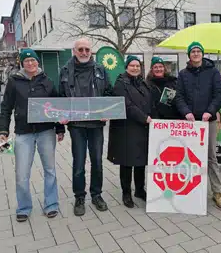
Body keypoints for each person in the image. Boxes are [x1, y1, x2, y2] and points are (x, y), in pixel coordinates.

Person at [0, 48, 65, 222]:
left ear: (38, 62)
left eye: (33, 60)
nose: (30, 63)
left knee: (50, 170)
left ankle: (51, 204)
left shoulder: (48, 81)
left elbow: (56, 107)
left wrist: (60, 129)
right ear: (22, 63)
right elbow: (6, 107)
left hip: (46, 132)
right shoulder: (14, 81)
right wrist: (3, 131)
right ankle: (24, 207)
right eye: (26, 61)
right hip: (23, 133)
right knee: (21, 174)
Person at [59, 38, 112, 216]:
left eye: (87, 49)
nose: (84, 52)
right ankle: (79, 197)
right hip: (76, 126)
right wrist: (62, 115)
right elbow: (60, 98)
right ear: (74, 51)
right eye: (80, 49)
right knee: (79, 163)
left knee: (97, 161)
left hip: (97, 124)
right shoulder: (65, 71)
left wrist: (107, 111)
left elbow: (109, 93)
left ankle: (96, 195)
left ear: (91, 52)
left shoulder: (100, 69)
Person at [175, 41, 221, 209]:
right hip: (190, 122)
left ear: (202, 54)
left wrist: (210, 111)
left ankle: (217, 191)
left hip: (207, 121)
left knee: (211, 156)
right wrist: (186, 112)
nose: (196, 53)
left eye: (198, 51)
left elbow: (219, 94)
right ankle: (190, 189)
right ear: (189, 55)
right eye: (193, 51)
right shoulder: (183, 74)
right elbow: (179, 96)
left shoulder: (213, 72)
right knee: (188, 156)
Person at [108, 55, 152, 208]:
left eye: (137, 66)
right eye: (132, 66)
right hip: (126, 128)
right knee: (127, 162)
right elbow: (127, 105)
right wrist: (145, 118)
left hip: (142, 128)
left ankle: (140, 189)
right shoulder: (120, 84)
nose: (135, 68)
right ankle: (126, 192)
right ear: (126, 67)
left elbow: (149, 102)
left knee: (141, 160)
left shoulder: (143, 83)